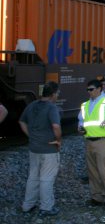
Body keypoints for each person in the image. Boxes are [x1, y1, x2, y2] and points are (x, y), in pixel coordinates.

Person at [78, 79, 105, 207]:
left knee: (103, 170)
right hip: (89, 141)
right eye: (87, 90)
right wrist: (80, 128)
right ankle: (96, 197)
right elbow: (81, 120)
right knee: (92, 171)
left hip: (102, 141)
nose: (89, 92)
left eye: (91, 89)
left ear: (99, 89)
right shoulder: (85, 105)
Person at [19, 82, 62, 217]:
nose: (57, 96)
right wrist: (59, 140)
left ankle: (27, 205)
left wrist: (30, 135)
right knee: (46, 178)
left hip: (34, 148)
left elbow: (21, 121)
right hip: (48, 148)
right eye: (57, 94)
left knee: (33, 177)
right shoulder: (51, 108)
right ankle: (46, 207)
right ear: (53, 94)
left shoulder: (31, 106)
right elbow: (55, 126)